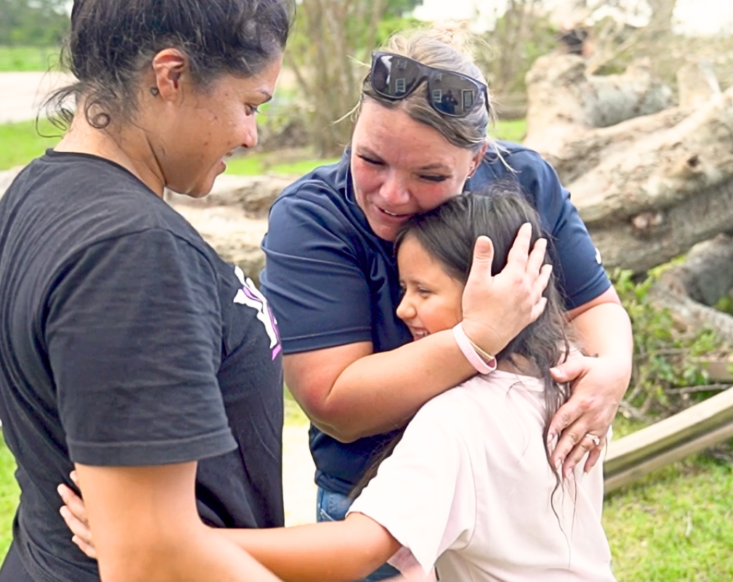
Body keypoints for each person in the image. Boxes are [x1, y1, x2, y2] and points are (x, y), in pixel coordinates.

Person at [60, 190, 616, 580]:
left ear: (492, 287)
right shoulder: (571, 379)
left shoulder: (457, 418)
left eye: (423, 291)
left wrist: (166, 546)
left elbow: (354, 551)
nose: (403, 310)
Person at [0, 0, 292, 581]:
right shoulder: (130, 250)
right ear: (169, 75)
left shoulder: (37, 194)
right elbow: (152, 556)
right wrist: (154, 538)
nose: (251, 136)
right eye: (250, 105)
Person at [258, 26, 634, 580]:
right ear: (354, 126)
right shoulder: (313, 219)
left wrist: (612, 372)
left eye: (429, 175)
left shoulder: (522, 180)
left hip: (510, 484)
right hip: (374, 493)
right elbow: (333, 401)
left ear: (478, 158)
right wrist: (477, 338)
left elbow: (595, 306)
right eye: (371, 159)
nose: (391, 194)